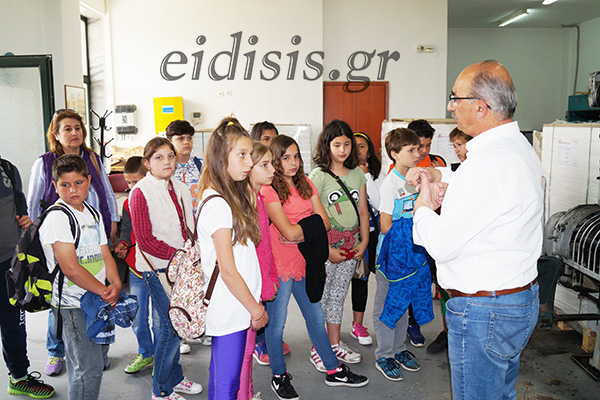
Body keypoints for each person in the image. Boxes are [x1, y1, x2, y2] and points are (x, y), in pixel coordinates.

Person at [411, 60, 542, 400]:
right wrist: (440, 177)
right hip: (517, 300)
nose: (451, 107)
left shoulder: (485, 165)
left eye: (456, 98)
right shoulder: (517, 148)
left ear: (481, 107)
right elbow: (490, 194)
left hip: (485, 313)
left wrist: (422, 208)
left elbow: (441, 244)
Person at [262, 134, 369, 400]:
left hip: (306, 262)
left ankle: (333, 369)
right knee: (277, 325)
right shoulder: (268, 190)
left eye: (296, 157)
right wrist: (308, 228)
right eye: (286, 158)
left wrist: (300, 230)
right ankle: (279, 375)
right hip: (280, 266)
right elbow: (289, 231)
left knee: (315, 318)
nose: (293, 163)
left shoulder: (306, 183)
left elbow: (325, 222)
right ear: (275, 161)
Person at [27, 109, 119, 376]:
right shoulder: (45, 162)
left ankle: (98, 349)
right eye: (67, 128)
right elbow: (33, 202)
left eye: (77, 127)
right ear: (56, 134)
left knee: (98, 294)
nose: (74, 132)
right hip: (62, 238)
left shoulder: (92, 158)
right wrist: (37, 237)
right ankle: (56, 352)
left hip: (94, 232)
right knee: (63, 297)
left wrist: (112, 221)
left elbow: (106, 192)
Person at [38, 154, 122, 399]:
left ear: (89, 182)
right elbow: (71, 269)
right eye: (65, 184)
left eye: (78, 183)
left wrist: (116, 283)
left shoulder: (92, 213)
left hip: (96, 300)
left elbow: (105, 252)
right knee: (87, 370)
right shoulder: (58, 217)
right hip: (73, 305)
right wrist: (105, 291)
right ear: (55, 186)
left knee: (93, 361)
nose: (73, 189)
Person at [196, 118, 267, 400]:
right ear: (221, 157)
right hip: (231, 307)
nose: (249, 162)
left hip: (238, 305)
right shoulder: (218, 205)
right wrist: (256, 310)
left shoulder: (228, 198)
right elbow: (228, 270)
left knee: (222, 381)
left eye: (250, 154)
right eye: (242, 155)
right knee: (227, 386)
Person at [129, 138, 202, 400]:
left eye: (170, 156)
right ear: (147, 163)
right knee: (171, 328)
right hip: (156, 270)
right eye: (159, 157)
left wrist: (194, 254)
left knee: (177, 325)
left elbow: (188, 228)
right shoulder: (140, 192)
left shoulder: (180, 187)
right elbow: (145, 241)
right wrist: (180, 256)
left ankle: (175, 378)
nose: (167, 162)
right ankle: (160, 390)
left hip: (181, 269)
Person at [372, 128, 430, 382]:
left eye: (418, 148)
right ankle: (384, 354)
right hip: (392, 257)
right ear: (394, 154)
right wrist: (411, 227)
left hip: (411, 255)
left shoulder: (417, 179)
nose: (418, 154)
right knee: (387, 306)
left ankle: (398, 349)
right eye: (411, 150)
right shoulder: (391, 184)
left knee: (404, 304)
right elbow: (386, 226)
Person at [309, 120, 369, 364]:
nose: (342, 150)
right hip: (326, 249)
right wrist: (326, 250)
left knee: (338, 296)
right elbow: (312, 217)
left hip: (351, 247)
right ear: (327, 145)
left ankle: (334, 344)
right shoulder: (318, 176)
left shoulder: (357, 174)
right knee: (321, 298)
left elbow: (363, 210)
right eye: (337, 145)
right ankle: (318, 347)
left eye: (347, 144)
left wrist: (364, 241)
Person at [0, 157, 55, 398]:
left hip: (9, 262)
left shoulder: (7, 169)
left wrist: (23, 218)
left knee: (13, 323)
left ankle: (19, 377)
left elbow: (20, 204)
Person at [238, 141, 280, 400]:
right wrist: (262, 288)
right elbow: (253, 254)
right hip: (247, 288)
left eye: (271, 164)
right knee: (243, 353)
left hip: (258, 285)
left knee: (247, 349)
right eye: (264, 165)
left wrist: (270, 279)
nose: (272, 169)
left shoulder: (259, 199)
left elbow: (266, 249)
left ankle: (247, 392)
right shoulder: (244, 204)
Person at [402, 118, 447, 347]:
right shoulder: (402, 168)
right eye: (419, 146)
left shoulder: (438, 165)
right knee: (413, 281)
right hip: (410, 235)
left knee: (438, 282)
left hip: (436, 231)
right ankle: (411, 324)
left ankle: (447, 329)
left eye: (427, 145)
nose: (423, 151)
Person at [427, 127, 472, 355]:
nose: (457, 150)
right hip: (449, 243)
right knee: (447, 292)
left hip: (469, 248)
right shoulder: (452, 170)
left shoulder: (480, 173)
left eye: (460, 145)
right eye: (454, 146)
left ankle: (463, 335)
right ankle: (447, 333)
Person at [114, 157, 158, 374]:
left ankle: (162, 357)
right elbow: (126, 230)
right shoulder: (127, 203)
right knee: (138, 317)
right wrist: (123, 243)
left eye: (136, 182)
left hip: (158, 270)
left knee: (160, 321)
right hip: (136, 270)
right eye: (129, 183)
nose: (132, 187)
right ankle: (146, 353)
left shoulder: (159, 201)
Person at [165, 119, 205, 353]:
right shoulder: (166, 168)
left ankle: (200, 326)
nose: (186, 142)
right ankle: (180, 334)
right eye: (180, 138)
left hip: (200, 233)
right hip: (176, 235)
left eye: (189, 137)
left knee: (201, 280)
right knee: (178, 284)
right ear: (170, 141)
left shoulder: (200, 165)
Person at [350, 132, 384, 346]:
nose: (357, 150)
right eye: (353, 146)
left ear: (369, 151)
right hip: (350, 235)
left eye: (362, 146)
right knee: (351, 281)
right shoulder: (343, 174)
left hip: (373, 234)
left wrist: (366, 178)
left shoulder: (378, 176)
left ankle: (361, 324)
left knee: (370, 278)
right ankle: (345, 325)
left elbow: (380, 204)